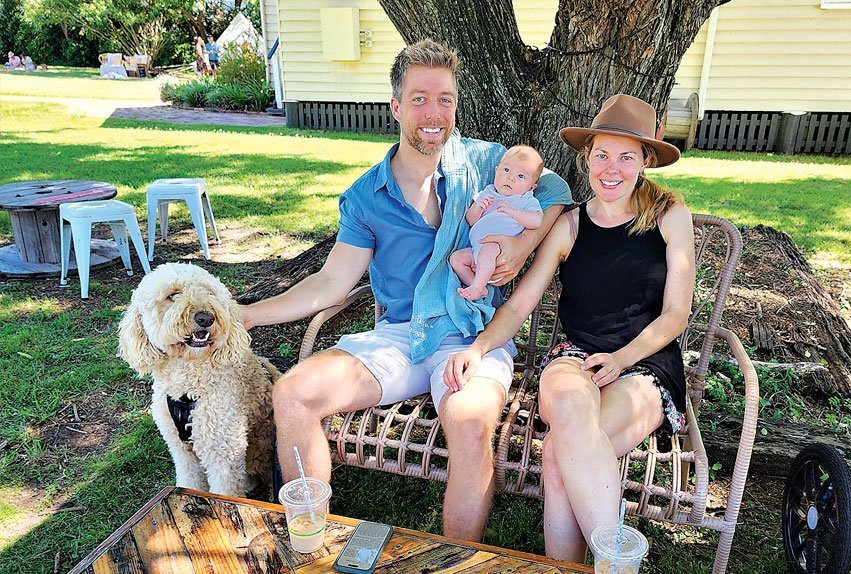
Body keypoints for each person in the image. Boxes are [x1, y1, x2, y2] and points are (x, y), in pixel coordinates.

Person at [241, 39, 571, 541]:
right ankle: (309, 542)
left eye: (445, 99)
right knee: (292, 393)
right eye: (419, 98)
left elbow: (557, 190)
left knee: (469, 423)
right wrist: (249, 314)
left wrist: (522, 246)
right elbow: (332, 281)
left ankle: (455, 560)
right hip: (400, 335)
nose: (434, 113)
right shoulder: (367, 196)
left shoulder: (488, 165)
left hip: (471, 334)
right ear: (396, 106)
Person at [444, 94, 695, 561]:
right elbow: (520, 306)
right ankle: (618, 563)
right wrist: (479, 348)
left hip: (643, 364)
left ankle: (587, 567)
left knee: (560, 453)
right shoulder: (570, 225)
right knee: (572, 413)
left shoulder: (668, 215)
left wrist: (622, 358)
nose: (611, 168)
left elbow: (676, 314)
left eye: (626, 156)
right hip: (573, 357)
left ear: (645, 161)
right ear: (587, 157)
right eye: (602, 154)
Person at [450, 145, 544, 300]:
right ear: (496, 170)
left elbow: (536, 221)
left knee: (488, 249)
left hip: (499, 253)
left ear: (531, 187)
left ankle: (478, 286)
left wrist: (515, 213)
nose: (511, 178)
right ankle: (478, 286)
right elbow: (471, 221)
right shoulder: (488, 192)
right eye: (506, 170)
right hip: (476, 249)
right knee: (456, 259)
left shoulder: (525, 200)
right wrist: (478, 209)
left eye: (521, 176)